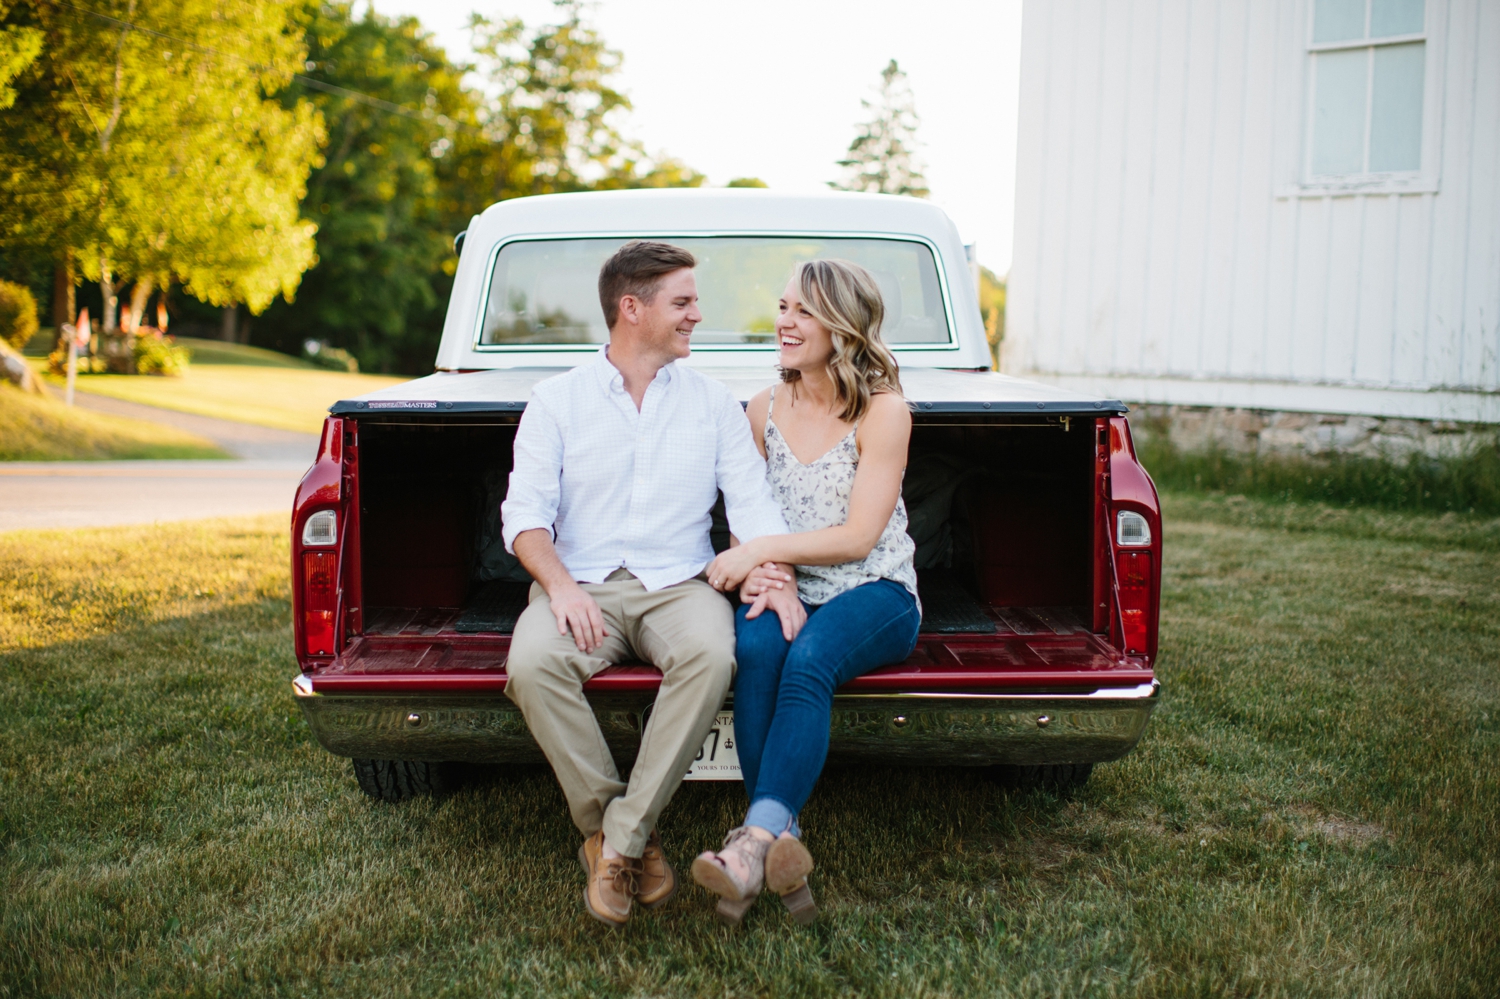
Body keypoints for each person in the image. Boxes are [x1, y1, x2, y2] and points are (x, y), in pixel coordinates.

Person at [500, 240, 800, 928]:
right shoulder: (556, 401)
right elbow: (524, 518)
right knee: (532, 663)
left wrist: (773, 574)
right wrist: (562, 589)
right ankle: (625, 835)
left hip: (679, 583)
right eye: (683, 302)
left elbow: (752, 506)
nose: (699, 314)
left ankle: (619, 842)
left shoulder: (713, 403)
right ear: (631, 309)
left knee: (711, 654)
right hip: (580, 584)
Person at [690, 259, 921, 927]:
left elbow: (856, 536)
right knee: (759, 647)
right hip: (787, 581)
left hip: (874, 590)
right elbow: (751, 508)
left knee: (811, 658)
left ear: (842, 326)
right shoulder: (762, 407)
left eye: (803, 311)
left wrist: (760, 553)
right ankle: (777, 841)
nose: (784, 322)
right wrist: (772, 572)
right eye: (784, 306)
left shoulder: (884, 412)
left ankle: (752, 843)